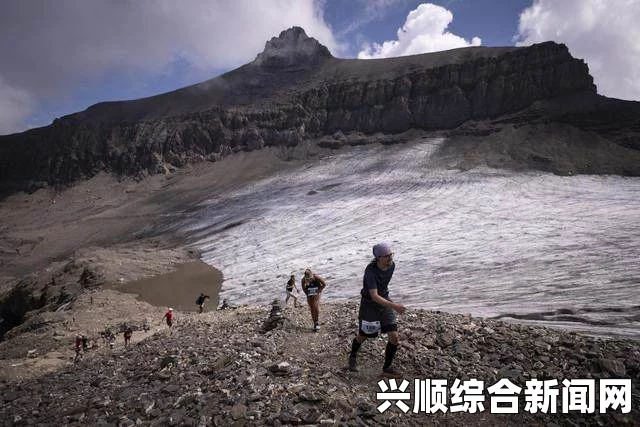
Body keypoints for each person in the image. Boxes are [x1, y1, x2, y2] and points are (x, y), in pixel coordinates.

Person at [348, 243, 406, 378]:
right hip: (369, 306)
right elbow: (374, 296)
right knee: (364, 335)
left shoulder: (392, 265)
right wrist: (395, 306)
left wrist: (389, 302)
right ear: (378, 258)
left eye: (391, 255)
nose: (390, 258)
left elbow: (383, 287)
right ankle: (353, 356)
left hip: (384, 302)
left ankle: (387, 368)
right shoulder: (370, 271)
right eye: (386, 256)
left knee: (394, 337)